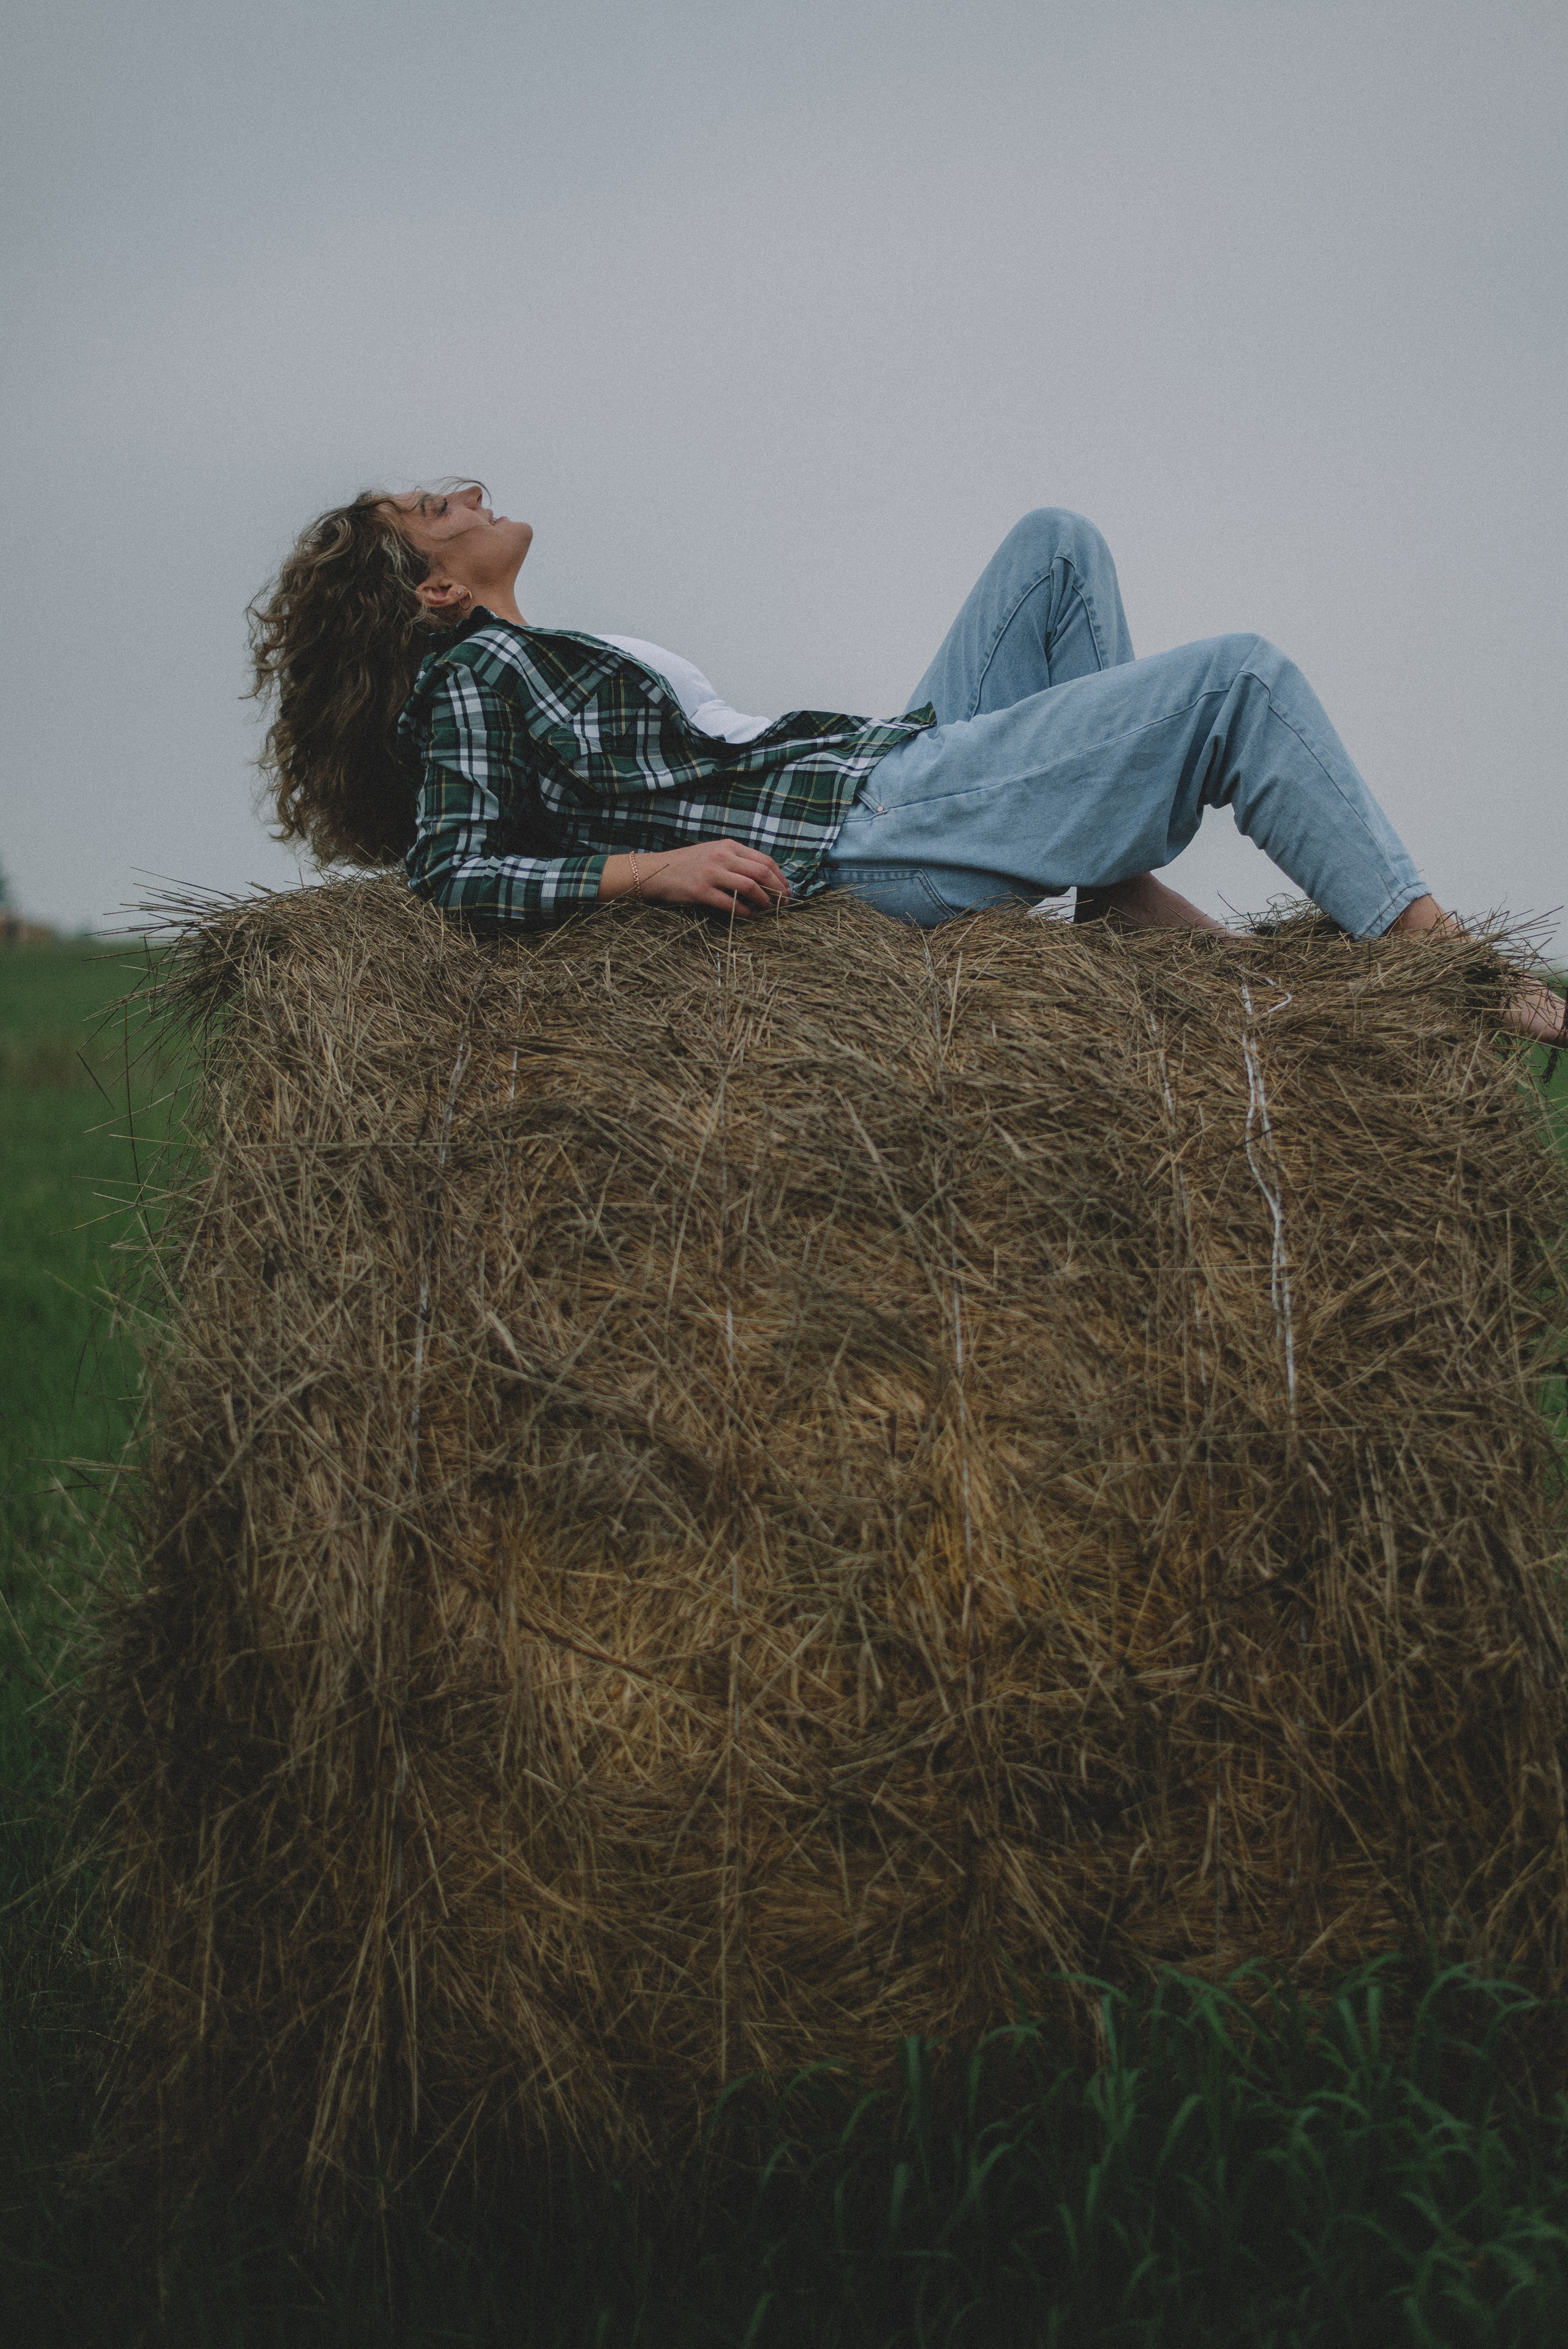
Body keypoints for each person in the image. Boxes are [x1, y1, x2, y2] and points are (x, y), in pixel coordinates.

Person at [249, 483, 1564, 1041]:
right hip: (865, 841)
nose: (469, 492)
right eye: (437, 509)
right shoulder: (477, 676)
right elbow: (450, 871)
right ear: (429, 590)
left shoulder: (536, 651)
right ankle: (1440, 966)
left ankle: (1100, 893)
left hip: (875, 771)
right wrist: (641, 873)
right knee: (1238, 681)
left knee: (1054, 547)